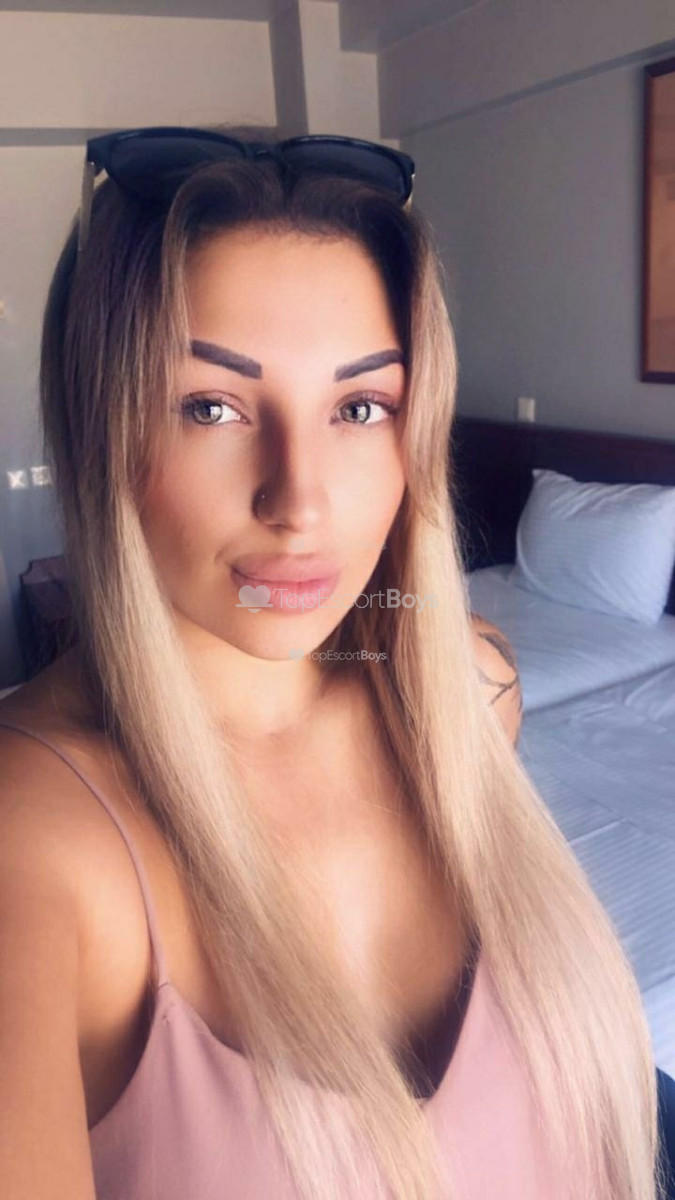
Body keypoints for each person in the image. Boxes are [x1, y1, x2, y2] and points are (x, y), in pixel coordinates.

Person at [0, 124, 668, 1200]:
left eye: (360, 407)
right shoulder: (31, 838)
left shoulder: (468, 697)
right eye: (210, 406)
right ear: (100, 426)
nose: (298, 501)